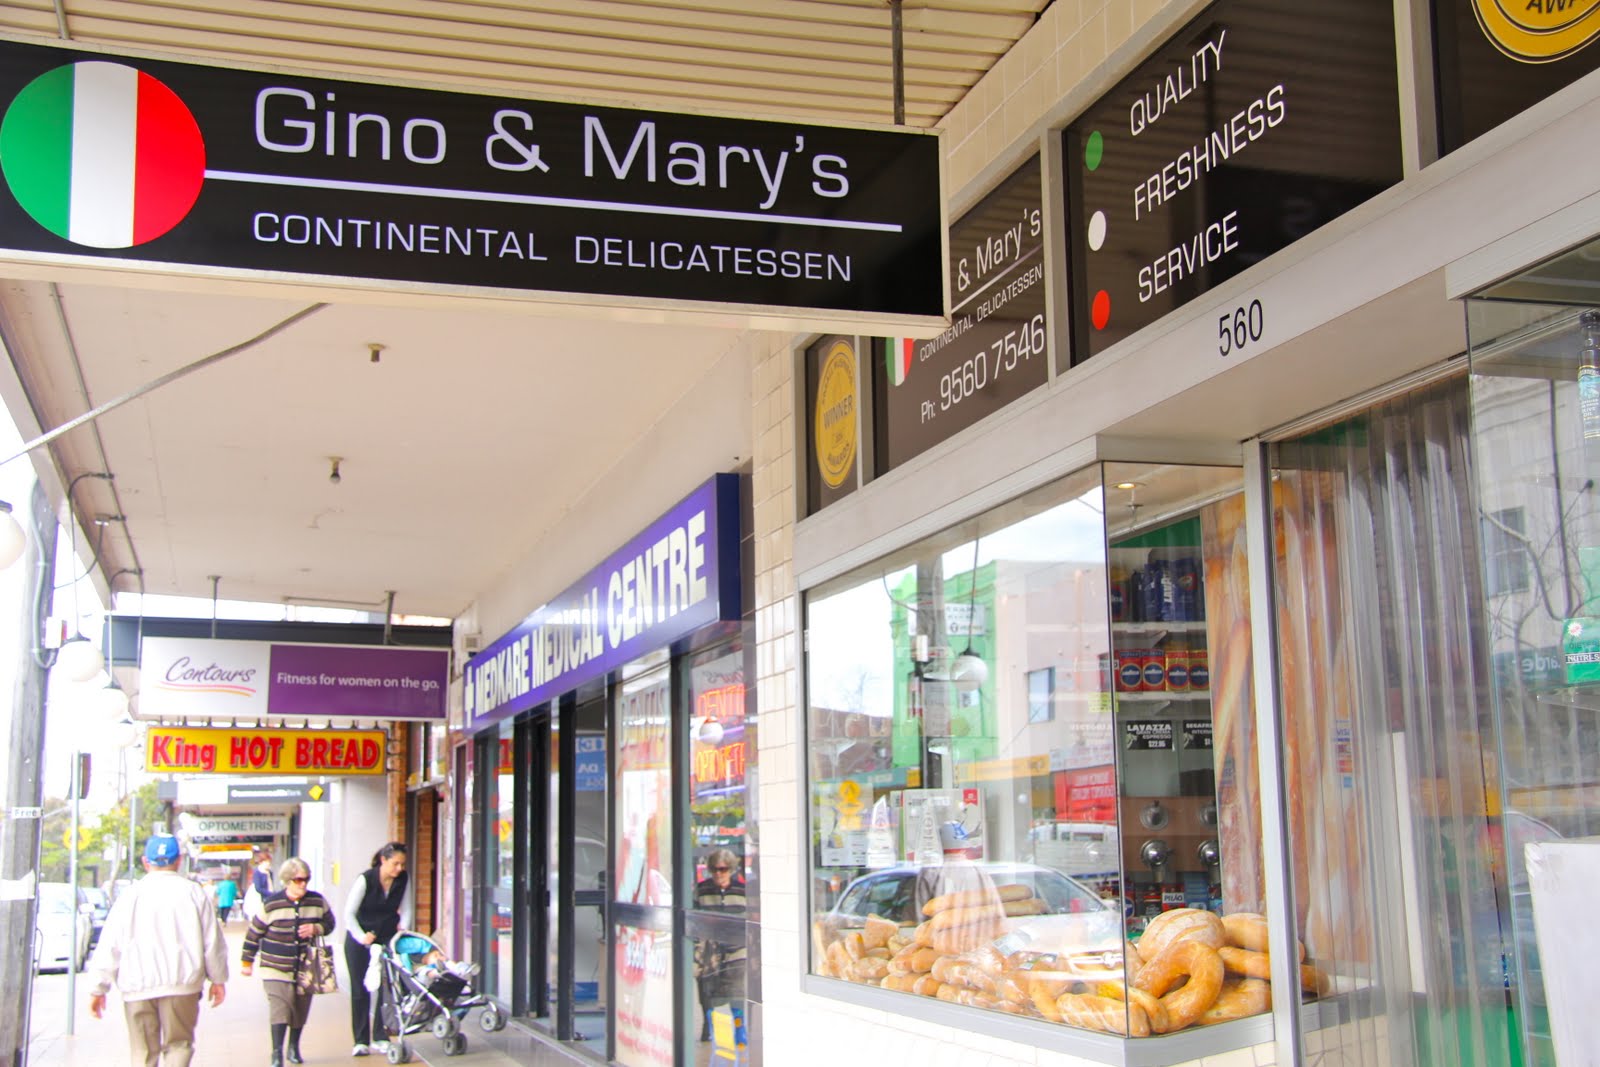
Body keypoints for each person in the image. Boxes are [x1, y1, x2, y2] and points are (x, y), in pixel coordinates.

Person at [86, 833, 229, 1067]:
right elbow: (212, 941)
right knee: (179, 1046)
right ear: (179, 860)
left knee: (142, 1052)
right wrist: (218, 979)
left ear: (146, 862)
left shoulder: (130, 895)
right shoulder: (194, 893)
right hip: (182, 984)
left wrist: (98, 988)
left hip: (137, 986)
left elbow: (110, 945)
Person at [241, 858, 336, 1067]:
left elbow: (330, 923)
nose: (303, 884)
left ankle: (294, 1047)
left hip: (306, 966)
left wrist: (316, 928)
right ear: (287, 880)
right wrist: (246, 961)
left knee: (300, 1008)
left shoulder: (317, 901)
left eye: (306, 879)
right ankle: (276, 1052)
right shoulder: (272, 904)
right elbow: (254, 933)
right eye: (299, 880)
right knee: (280, 1007)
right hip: (275, 966)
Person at [343, 842, 409, 1057]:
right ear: (383, 860)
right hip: (360, 938)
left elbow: (406, 908)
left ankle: (381, 1036)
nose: (399, 868)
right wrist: (361, 936)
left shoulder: (403, 879)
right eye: (395, 863)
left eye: (402, 864)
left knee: (386, 986)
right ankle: (360, 1041)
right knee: (359, 989)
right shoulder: (366, 879)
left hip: (386, 937)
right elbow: (349, 913)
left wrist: (402, 930)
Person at [692, 848, 746, 1042]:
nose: (718, 873)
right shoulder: (701, 890)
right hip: (709, 951)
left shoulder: (742, 891)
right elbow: (693, 920)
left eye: (722, 869)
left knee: (737, 992)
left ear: (731, 869)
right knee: (707, 992)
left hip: (736, 950)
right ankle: (710, 1028)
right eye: (714, 869)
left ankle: (739, 1030)